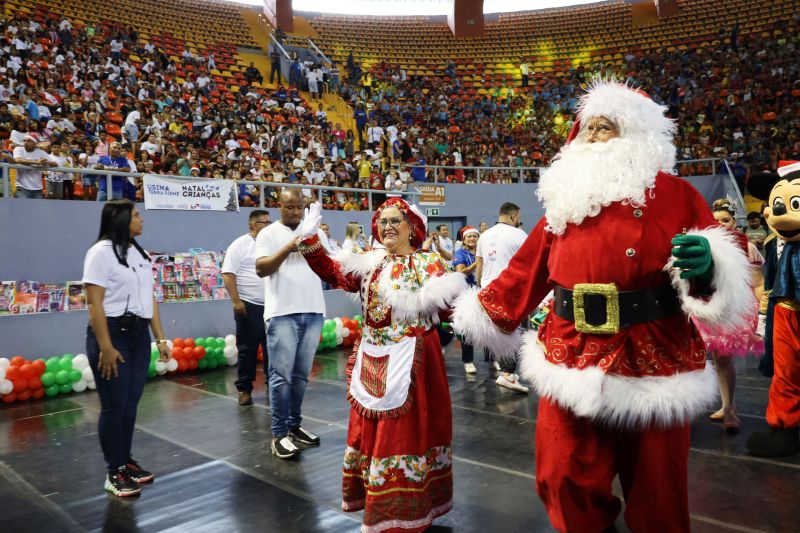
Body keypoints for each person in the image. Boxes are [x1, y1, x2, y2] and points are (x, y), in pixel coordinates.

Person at [453, 81, 753, 532]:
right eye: (587, 127)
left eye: (605, 126)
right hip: (569, 352)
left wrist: (711, 265)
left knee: (658, 491)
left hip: (654, 354)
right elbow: (529, 266)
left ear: (637, 136)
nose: (591, 135)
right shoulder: (565, 202)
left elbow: (718, 274)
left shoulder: (678, 196)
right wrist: (478, 310)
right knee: (561, 475)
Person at [296, 198, 466, 532]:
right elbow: (333, 271)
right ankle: (382, 505)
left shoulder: (428, 263)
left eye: (394, 221)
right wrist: (310, 241)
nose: (386, 227)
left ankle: (406, 511)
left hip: (415, 363)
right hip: (374, 360)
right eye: (382, 221)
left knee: (405, 436)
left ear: (412, 227)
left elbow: (452, 308)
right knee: (374, 434)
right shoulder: (369, 261)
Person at [83, 199, 171, 497]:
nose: (141, 219)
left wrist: (160, 338)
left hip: (137, 336)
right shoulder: (100, 254)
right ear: (120, 219)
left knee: (130, 404)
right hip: (112, 336)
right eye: (135, 215)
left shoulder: (137, 252)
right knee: (114, 406)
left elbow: (151, 299)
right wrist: (105, 347)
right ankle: (114, 471)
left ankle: (125, 460)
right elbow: (94, 303)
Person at [255, 189, 325, 459]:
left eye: (300, 207)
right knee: (280, 376)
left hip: (313, 309)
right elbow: (261, 268)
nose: (296, 212)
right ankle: (279, 434)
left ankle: (294, 427)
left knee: (300, 376)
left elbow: (328, 264)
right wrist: (288, 247)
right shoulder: (268, 234)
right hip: (283, 312)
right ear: (279, 206)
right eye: (290, 207)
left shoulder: (314, 233)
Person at [694, 199, 764, 431]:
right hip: (702, 310)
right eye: (715, 222)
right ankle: (688, 407)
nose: (721, 225)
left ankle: (729, 407)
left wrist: (757, 315)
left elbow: (758, 283)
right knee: (695, 359)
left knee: (722, 359)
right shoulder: (700, 246)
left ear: (735, 222)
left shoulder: (746, 246)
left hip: (731, 311)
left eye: (726, 220)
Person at [474, 202, 529, 393]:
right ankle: (507, 374)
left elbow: (479, 264)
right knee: (516, 332)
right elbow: (529, 264)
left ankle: (508, 372)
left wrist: (480, 286)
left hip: (488, 291)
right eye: (519, 218)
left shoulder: (484, 235)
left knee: (501, 333)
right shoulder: (519, 234)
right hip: (510, 291)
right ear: (514, 216)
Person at [222, 210, 271, 406]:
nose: (268, 225)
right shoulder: (240, 244)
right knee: (247, 350)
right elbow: (228, 274)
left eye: (270, 222)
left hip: (272, 307)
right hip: (248, 306)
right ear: (253, 224)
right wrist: (236, 301)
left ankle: (273, 384)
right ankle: (244, 389)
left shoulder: (272, 244)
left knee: (273, 349)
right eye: (264, 222)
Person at [452, 226, 480, 374]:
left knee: (491, 327)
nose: (472, 239)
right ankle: (468, 361)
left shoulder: (484, 251)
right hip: (467, 294)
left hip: (484, 292)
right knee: (467, 328)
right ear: (464, 239)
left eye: (475, 236)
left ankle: (493, 359)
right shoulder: (460, 253)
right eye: (469, 237)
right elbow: (461, 272)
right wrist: (478, 262)